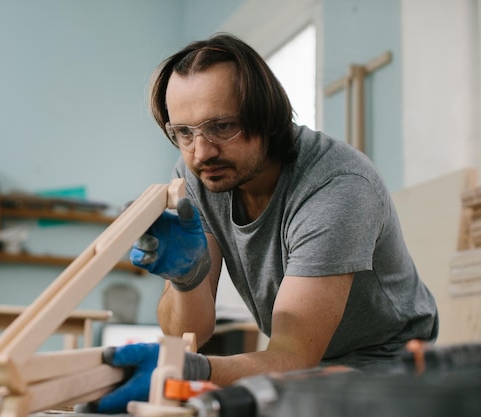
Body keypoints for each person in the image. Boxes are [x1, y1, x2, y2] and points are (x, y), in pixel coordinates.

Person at [94, 33, 438, 414]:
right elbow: (189, 335)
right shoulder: (202, 173)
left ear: (268, 118)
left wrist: (185, 368)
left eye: (222, 127)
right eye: (184, 133)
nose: (202, 152)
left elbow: (293, 356)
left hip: (389, 368)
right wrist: (186, 279)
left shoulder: (336, 188)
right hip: (298, 365)